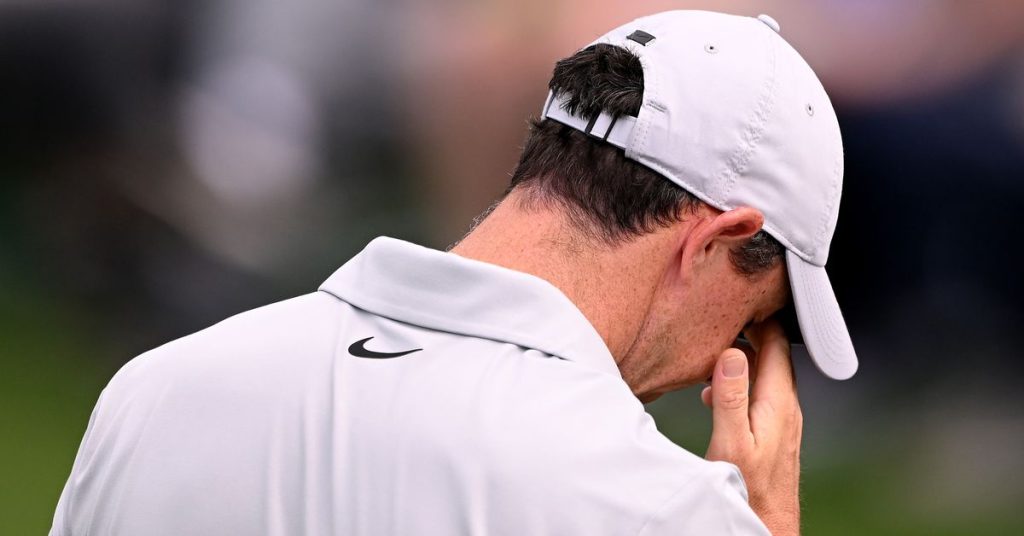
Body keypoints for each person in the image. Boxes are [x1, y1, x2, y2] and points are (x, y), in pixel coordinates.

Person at [50, 10, 857, 536]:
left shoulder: (154, 391)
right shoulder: (658, 505)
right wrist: (756, 522)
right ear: (716, 241)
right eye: (750, 325)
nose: (720, 373)